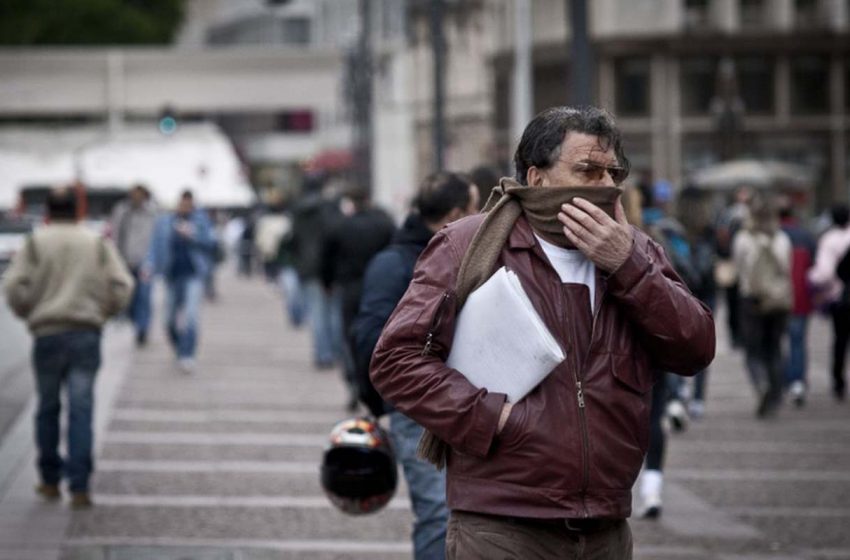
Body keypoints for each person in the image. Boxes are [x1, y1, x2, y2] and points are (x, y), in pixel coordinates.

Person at [370, 106, 715, 559]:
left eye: (614, 172)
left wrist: (628, 267)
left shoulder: (638, 249)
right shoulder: (468, 245)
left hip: (606, 526)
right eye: (588, 170)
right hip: (502, 524)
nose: (607, 185)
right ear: (536, 177)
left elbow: (695, 347)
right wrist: (493, 418)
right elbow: (396, 360)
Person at [352, 172, 479, 559]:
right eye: (476, 210)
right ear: (455, 214)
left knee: (468, 515)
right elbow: (368, 339)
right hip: (417, 407)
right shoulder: (395, 264)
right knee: (438, 514)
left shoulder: (465, 256)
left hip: (467, 402)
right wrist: (379, 403)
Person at [3, 187, 134, 508]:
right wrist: (104, 312)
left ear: (48, 210)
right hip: (85, 333)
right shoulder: (95, 242)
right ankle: (79, 485)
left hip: (47, 333)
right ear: (77, 210)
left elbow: (13, 285)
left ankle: (49, 480)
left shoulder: (36, 242)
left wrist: (29, 312)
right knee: (82, 409)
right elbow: (123, 284)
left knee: (47, 408)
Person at [732, 195, 792, 418]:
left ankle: (761, 385)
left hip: (752, 300)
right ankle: (775, 396)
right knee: (775, 349)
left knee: (753, 351)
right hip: (778, 301)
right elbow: (787, 269)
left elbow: (738, 269)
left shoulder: (743, 239)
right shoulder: (782, 239)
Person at [146, 190, 215, 373]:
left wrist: (192, 235)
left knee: (191, 317)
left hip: (193, 274)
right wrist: (149, 265)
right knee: (168, 319)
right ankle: (178, 347)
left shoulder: (200, 221)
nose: (185, 207)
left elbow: (211, 243)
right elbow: (154, 246)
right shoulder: (165, 221)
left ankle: (187, 354)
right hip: (171, 275)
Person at [290, 176, 344, 369]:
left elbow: (293, 239)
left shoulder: (298, 210)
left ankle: (323, 354)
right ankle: (336, 352)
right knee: (334, 312)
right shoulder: (330, 208)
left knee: (317, 313)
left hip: (307, 267)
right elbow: (337, 235)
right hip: (331, 266)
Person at [808, 204, 850, 402]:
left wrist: (811, 279)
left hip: (839, 298)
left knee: (840, 340)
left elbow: (824, 273)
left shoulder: (829, 240)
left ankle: (838, 381)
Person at [110, 184, 157, 346]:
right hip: (125, 260)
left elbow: (154, 238)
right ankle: (132, 319)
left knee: (144, 296)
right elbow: (115, 235)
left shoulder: (152, 213)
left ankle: (142, 329)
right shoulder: (122, 211)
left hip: (145, 262)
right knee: (129, 296)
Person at [779, 203, 816, 406]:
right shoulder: (806, 236)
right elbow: (816, 268)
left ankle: (783, 380)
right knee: (798, 341)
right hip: (801, 297)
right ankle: (798, 381)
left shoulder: (774, 236)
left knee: (778, 342)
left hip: (777, 298)